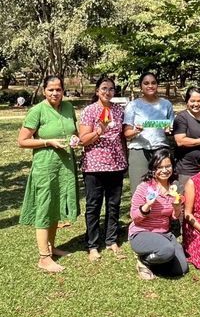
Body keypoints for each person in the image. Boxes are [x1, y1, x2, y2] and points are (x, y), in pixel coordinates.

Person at [18, 75, 80, 273]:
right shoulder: (37, 111)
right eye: (51, 89)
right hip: (45, 168)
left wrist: (74, 139)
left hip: (65, 167)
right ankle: (43, 258)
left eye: (58, 89)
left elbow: (74, 131)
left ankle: (52, 248)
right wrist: (47, 142)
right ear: (44, 90)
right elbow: (23, 141)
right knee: (45, 207)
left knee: (55, 206)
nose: (55, 93)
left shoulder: (69, 108)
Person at [79, 76, 127, 262]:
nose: (108, 92)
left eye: (111, 89)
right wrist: (100, 130)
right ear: (97, 91)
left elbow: (122, 136)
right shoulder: (90, 111)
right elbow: (83, 139)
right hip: (94, 165)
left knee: (113, 205)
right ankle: (92, 244)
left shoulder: (118, 110)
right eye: (104, 88)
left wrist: (125, 158)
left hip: (116, 164)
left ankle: (111, 240)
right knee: (93, 205)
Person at [129, 149, 188, 280]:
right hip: (141, 232)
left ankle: (156, 258)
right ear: (153, 169)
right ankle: (143, 261)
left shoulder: (175, 188)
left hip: (164, 234)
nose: (164, 170)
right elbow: (134, 217)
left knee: (181, 269)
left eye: (168, 166)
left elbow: (174, 216)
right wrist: (147, 205)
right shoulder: (144, 187)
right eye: (160, 167)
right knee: (167, 251)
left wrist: (177, 207)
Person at [124, 72, 174, 195]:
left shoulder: (166, 104)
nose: (150, 86)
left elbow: (170, 128)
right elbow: (126, 133)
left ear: (157, 85)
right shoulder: (133, 105)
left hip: (161, 149)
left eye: (153, 83)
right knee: (139, 189)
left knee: (162, 188)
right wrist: (136, 131)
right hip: (139, 150)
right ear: (141, 86)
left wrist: (169, 130)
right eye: (146, 83)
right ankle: (140, 213)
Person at [173, 86, 200, 190]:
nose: (196, 104)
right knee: (185, 202)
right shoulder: (181, 117)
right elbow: (180, 141)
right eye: (192, 101)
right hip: (187, 169)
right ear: (187, 101)